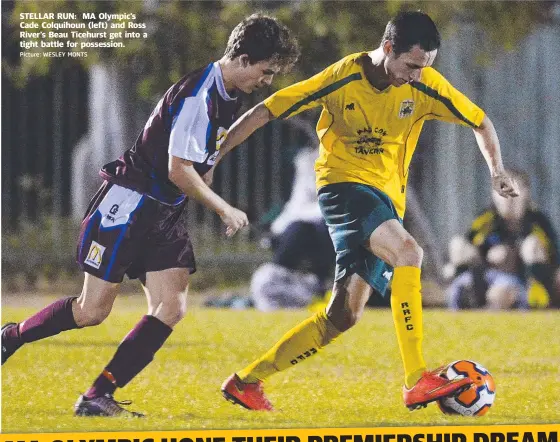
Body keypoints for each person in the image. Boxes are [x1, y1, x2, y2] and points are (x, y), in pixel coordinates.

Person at [206, 10, 519, 412]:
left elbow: (480, 121)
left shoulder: (425, 83)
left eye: (425, 68)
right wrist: (213, 158)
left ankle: (246, 382)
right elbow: (266, 110)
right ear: (388, 48)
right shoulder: (343, 78)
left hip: (386, 200)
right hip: (343, 187)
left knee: (343, 316)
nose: (417, 75)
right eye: (411, 65)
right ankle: (415, 380)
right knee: (410, 253)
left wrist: (496, 170)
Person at [1, 13, 300, 417]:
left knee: (171, 307)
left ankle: (97, 396)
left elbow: (196, 159)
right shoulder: (199, 94)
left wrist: (209, 163)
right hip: (130, 206)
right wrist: (223, 207)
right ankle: (12, 336)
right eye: (266, 71)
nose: (267, 80)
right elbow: (179, 169)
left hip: (164, 212)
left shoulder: (228, 92)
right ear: (243, 58)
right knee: (92, 312)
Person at [446, 170, 560, 310]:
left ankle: (537, 302)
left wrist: (514, 256)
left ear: (526, 194)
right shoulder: (486, 219)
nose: (507, 197)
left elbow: (553, 260)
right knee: (457, 245)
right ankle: (462, 293)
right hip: (487, 277)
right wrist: (486, 257)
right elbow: (467, 248)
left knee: (531, 247)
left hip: (522, 281)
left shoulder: (537, 222)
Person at [251, 147, 335, 311]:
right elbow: (299, 200)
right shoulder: (307, 159)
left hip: (331, 224)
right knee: (297, 229)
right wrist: (279, 226)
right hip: (306, 222)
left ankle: (321, 285)